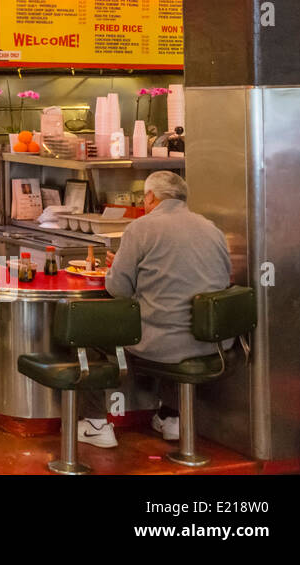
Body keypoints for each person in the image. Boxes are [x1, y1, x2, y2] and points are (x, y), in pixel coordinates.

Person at [77, 170, 232, 449]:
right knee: (177, 319)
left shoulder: (141, 228)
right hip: (213, 343)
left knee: (87, 334)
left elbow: (119, 290)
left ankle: (95, 424)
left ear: (150, 196)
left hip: (162, 344)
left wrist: (117, 269)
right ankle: (172, 417)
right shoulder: (212, 229)